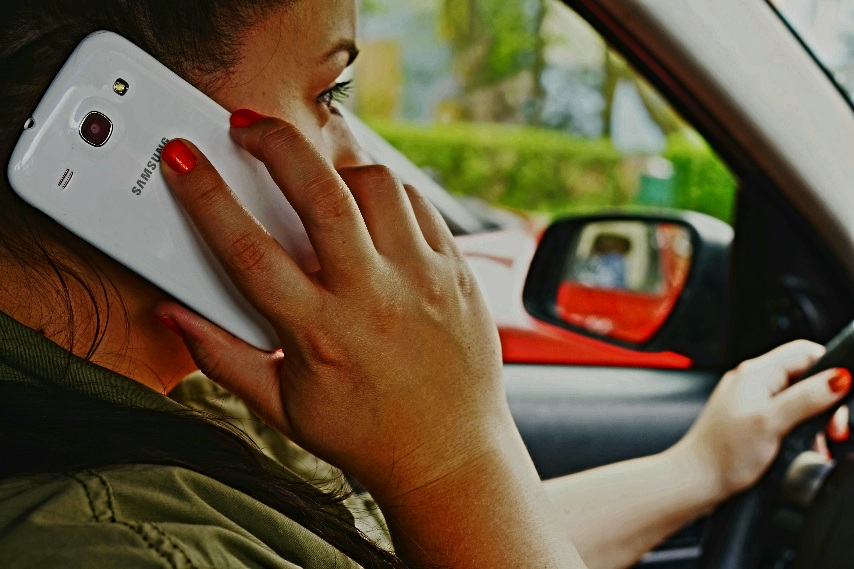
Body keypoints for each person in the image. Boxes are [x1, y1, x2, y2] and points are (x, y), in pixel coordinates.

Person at [0, 1, 850, 568]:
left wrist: (698, 466)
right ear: (140, 118)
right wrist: (454, 453)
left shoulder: (192, 393)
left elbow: (451, 540)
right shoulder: (116, 544)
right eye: (328, 91)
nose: (362, 163)